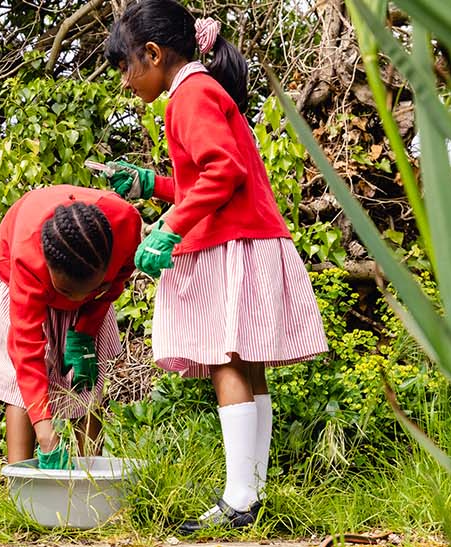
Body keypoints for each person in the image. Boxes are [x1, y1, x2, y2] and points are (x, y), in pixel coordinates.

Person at [104, 0, 329, 530]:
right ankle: (252, 492)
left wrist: (171, 226)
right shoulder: (204, 90)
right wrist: (150, 185)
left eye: (125, 67)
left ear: (154, 54)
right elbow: (210, 176)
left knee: (227, 360)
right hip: (250, 237)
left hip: (231, 243)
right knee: (248, 367)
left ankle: (239, 500)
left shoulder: (189, 95)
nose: (124, 81)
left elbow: (222, 172)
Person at [0, 185, 142, 469]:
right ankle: (22, 489)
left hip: (87, 289)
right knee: (20, 389)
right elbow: (26, 353)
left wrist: (86, 331)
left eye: (84, 292)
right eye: (66, 292)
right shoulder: (28, 257)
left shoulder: (125, 226)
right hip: (16, 279)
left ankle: (91, 480)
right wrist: (46, 435)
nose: (72, 301)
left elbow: (117, 283)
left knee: (86, 383)